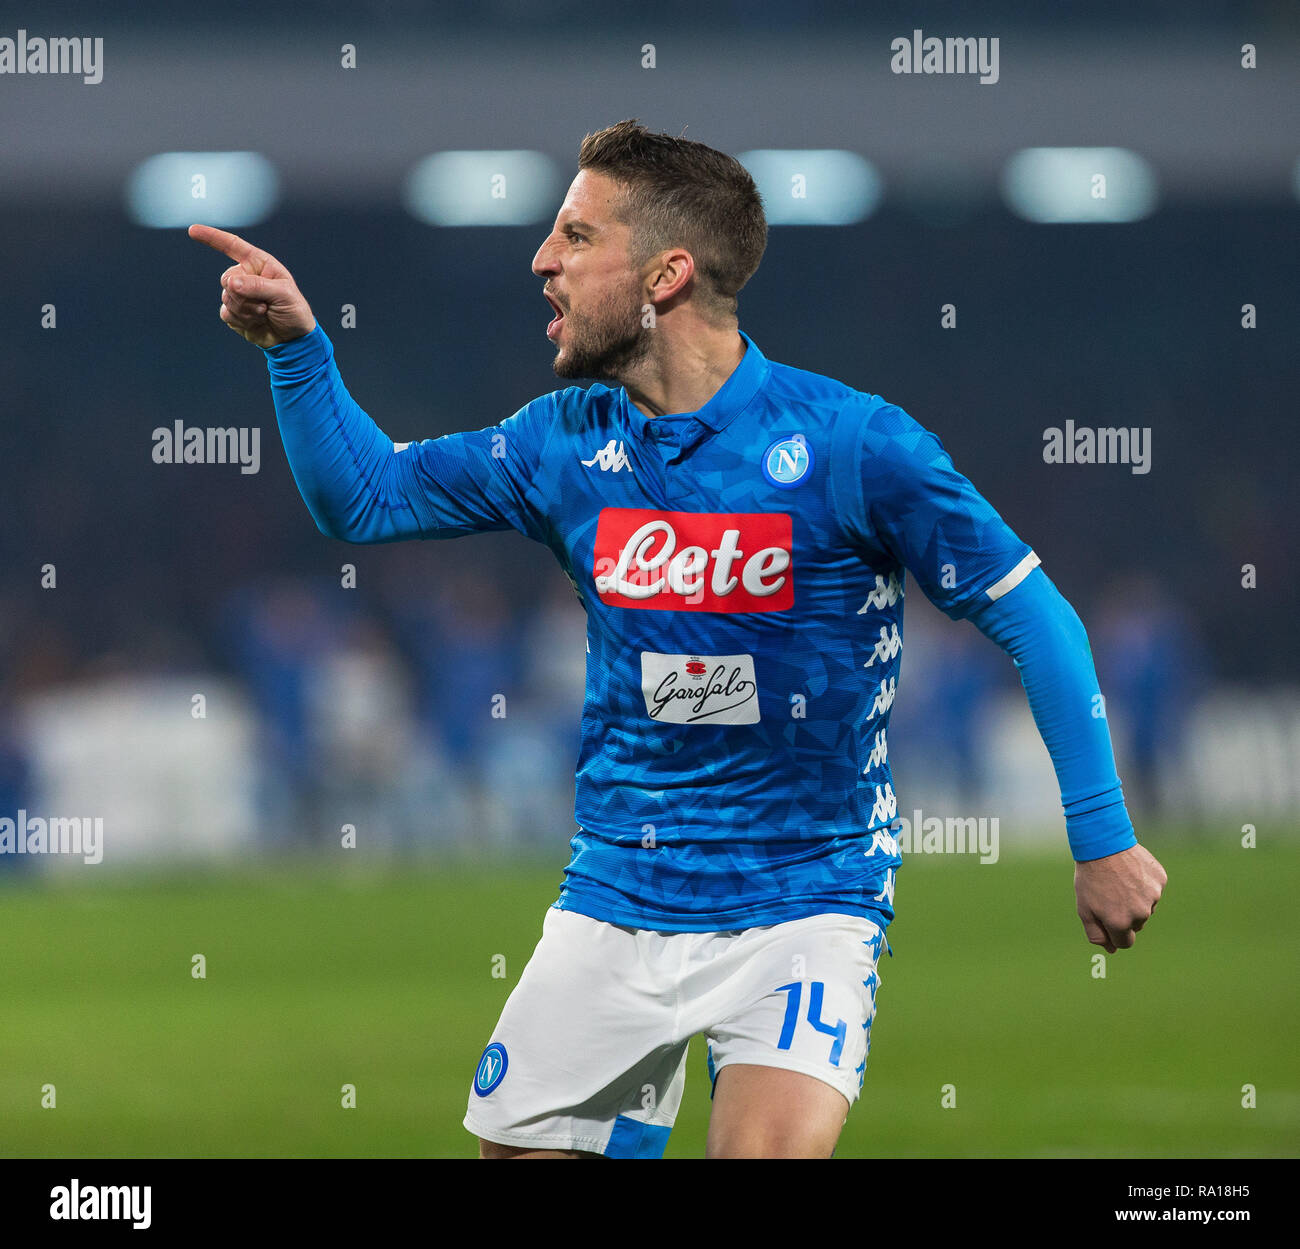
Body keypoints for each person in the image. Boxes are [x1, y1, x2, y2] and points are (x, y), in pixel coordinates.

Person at [190, 119, 1166, 1159]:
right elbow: (368, 497)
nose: (541, 260)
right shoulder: (562, 441)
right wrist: (298, 352)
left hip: (806, 896)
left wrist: (1101, 836)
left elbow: (1035, 618)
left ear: (665, 275)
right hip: (618, 890)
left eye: (574, 235)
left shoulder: (852, 444)